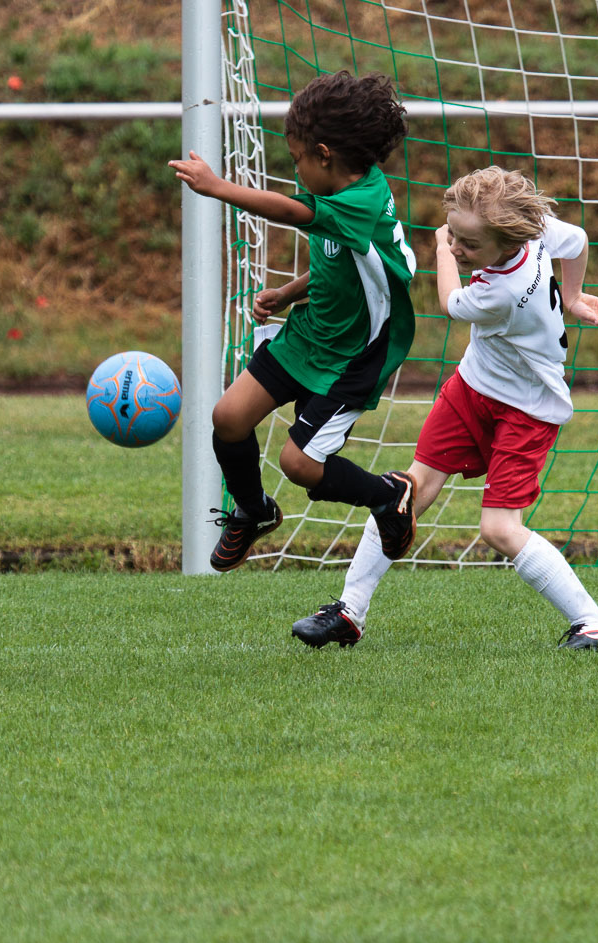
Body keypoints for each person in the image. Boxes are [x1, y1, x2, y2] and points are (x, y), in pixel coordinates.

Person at [292, 166, 598, 651]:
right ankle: (349, 611)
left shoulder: (502, 291)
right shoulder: (535, 234)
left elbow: (449, 302)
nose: (458, 248)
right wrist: (572, 297)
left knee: (497, 529)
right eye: (456, 235)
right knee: (405, 493)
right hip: (472, 388)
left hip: (528, 409)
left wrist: (437, 245)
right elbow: (574, 241)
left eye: (469, 244)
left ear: (508, 239)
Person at [169, 71, 418, 571]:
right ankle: (253, 511)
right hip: (311, 333)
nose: (296, 170)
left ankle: (388, 497)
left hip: (353, 355)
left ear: (324, 154)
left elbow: (291, 212)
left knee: (300, 464)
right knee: (229, 418)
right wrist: (288, 292)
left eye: (297, 159)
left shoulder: (360, 200)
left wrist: (218, 188)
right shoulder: (343, 197)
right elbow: (344, 262)